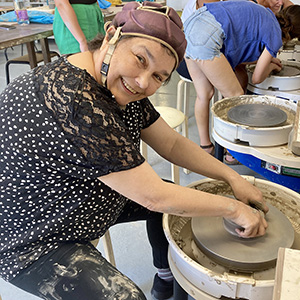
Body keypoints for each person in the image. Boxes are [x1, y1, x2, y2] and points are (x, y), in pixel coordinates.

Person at [0, 2, 269, 300]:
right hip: (33, 235)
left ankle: (165, 278)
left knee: (171, 210)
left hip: (80, 194)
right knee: (126, 296)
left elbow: (172, 143)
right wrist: (234, 209)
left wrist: (232, 177)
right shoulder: (77, 99)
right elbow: (153, 196)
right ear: (112, 35)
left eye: (159, 77)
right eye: (140, 59)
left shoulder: (116, 81)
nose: (144, 81)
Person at [182, 2, 300, 163]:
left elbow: (239, 49)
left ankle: (206, 147)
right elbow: (257, 78)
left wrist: (266, 61)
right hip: (207, 37)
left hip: (191, 27)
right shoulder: (275, 35)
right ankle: (231, 151)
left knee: (204, 94)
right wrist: (272, 65)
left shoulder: (265, 14)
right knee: (236, 96)